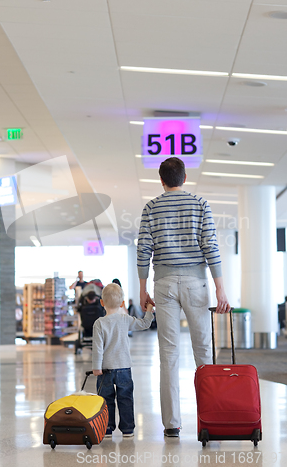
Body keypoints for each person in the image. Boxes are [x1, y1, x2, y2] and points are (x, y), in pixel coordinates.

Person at [137, 156, 230, 438]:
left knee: (169, 354)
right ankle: (210, 418)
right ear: (185, 178)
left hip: (163, 283)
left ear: (162, 180)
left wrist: (143, 289)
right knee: (203, 351)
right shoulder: (200, 204)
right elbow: (210, 244)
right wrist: (220, 287)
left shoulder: (151, 207)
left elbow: (143, 249)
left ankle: (172, 424)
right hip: (195, 283)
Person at [92, 283, 154, 438]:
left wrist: (96, 367)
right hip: (124, 367)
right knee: (125, 398)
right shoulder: (125, 319)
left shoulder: (99, 323)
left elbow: (97, 348)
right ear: (121, 303)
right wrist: (149, 311)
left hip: (105, 369)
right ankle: (128, 429)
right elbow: (145, 324)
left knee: (105, 400)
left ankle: (106, 427)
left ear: (102, 303)